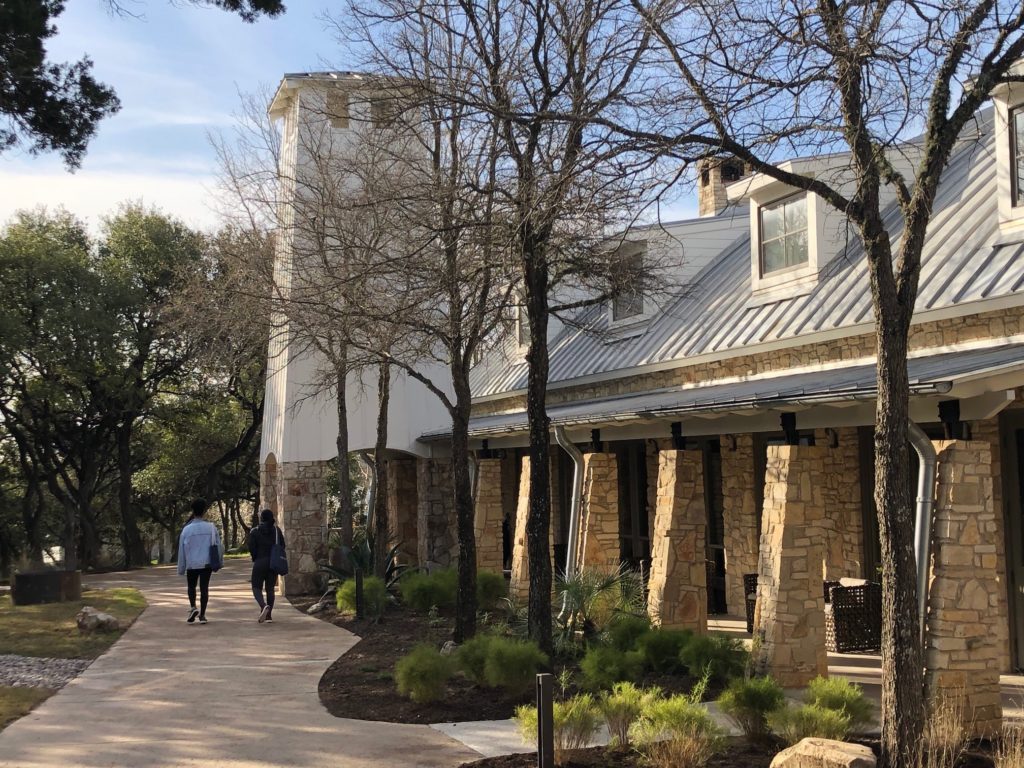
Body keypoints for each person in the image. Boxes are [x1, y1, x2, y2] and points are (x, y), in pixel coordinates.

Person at [177, 498, 223, 625]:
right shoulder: (211, 528)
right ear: (204, 511)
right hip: (206, 563)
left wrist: (181, 567)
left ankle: (193, 607)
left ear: (193, 511)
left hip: (192, 563)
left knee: (191, 586)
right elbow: (218, 546)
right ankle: (202, 615)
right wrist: (219, 561)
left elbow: (181, 549)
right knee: (204, 588)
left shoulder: (186, 530)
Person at [248, 509, 285, 623]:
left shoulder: (254, 531)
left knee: (256, 587)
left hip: (260, 561)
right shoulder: (276, 530)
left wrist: (255, 558)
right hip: (273, 563)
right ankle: (268, 616)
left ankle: (263, 605)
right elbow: (282, 545)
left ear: (261, 518)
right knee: (270, 589)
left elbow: (251, 548)